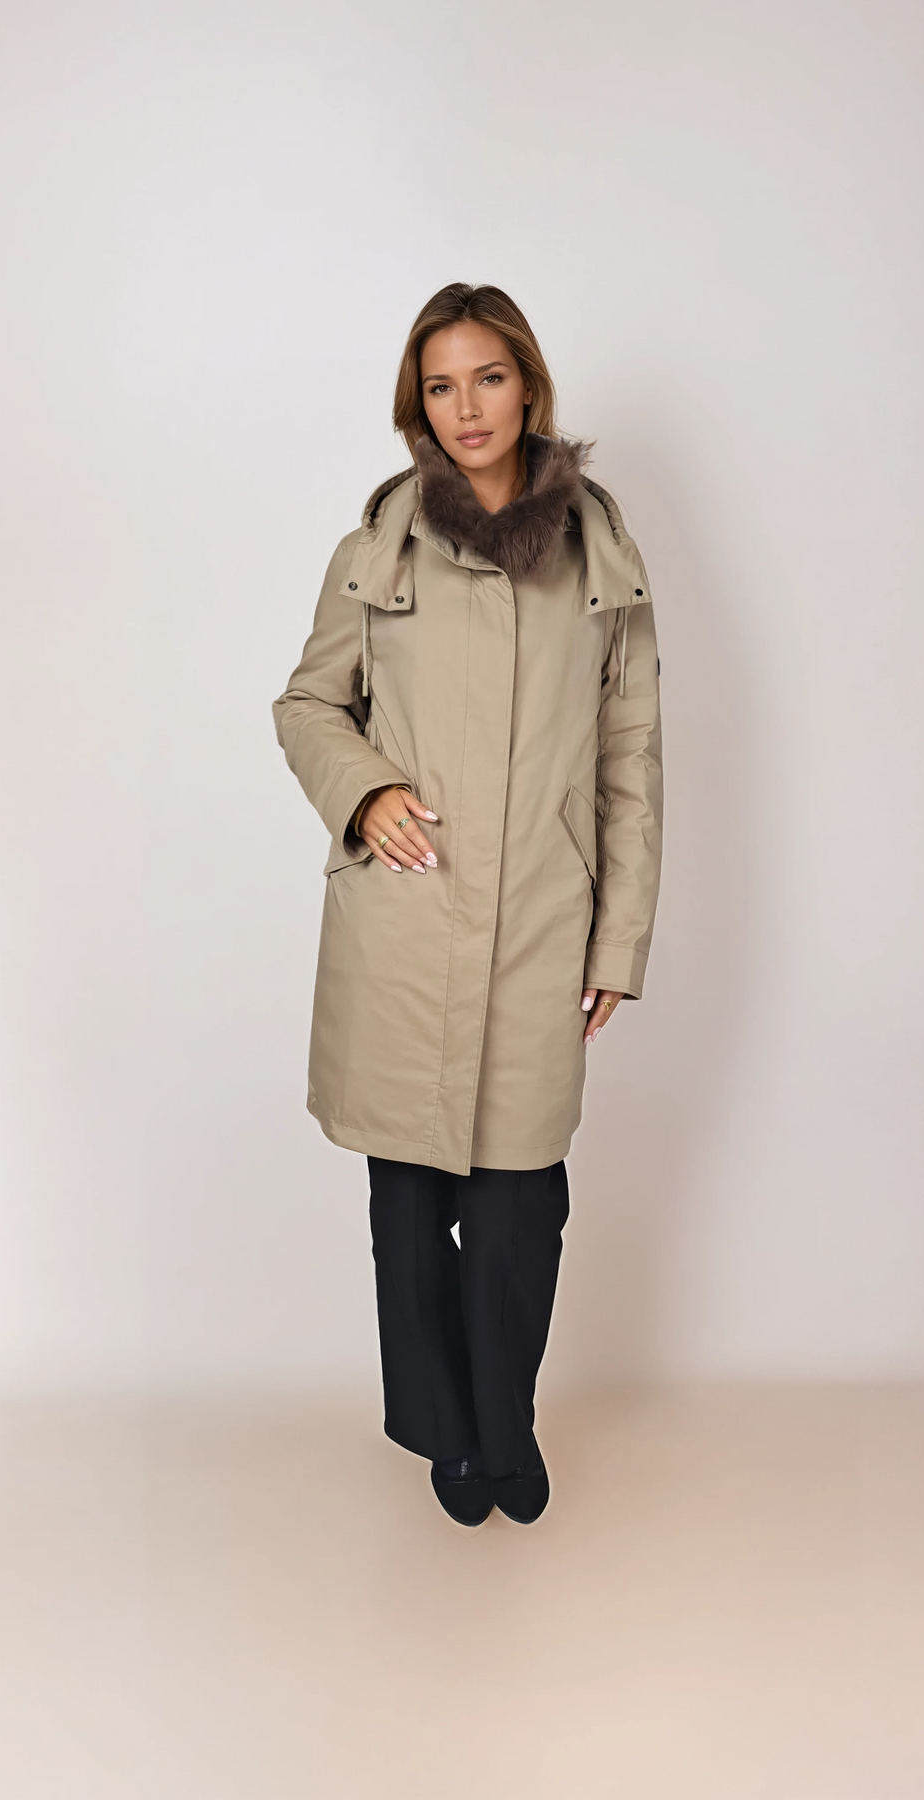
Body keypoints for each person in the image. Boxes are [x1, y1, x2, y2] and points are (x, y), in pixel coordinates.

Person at [273, 283, 663, 1527]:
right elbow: (308, 705)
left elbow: (630, 756)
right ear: (420, 406)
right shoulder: (378, 547)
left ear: (528, 385)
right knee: (409, 1205)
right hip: (408, 918)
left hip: (542, 918)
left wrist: (619, 937)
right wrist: (365, 790)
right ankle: (451, 1435)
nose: (466, 407)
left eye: (487, 377)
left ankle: (506, 1429)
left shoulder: (598, 551)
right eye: (440, 387)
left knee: (517, 1207)